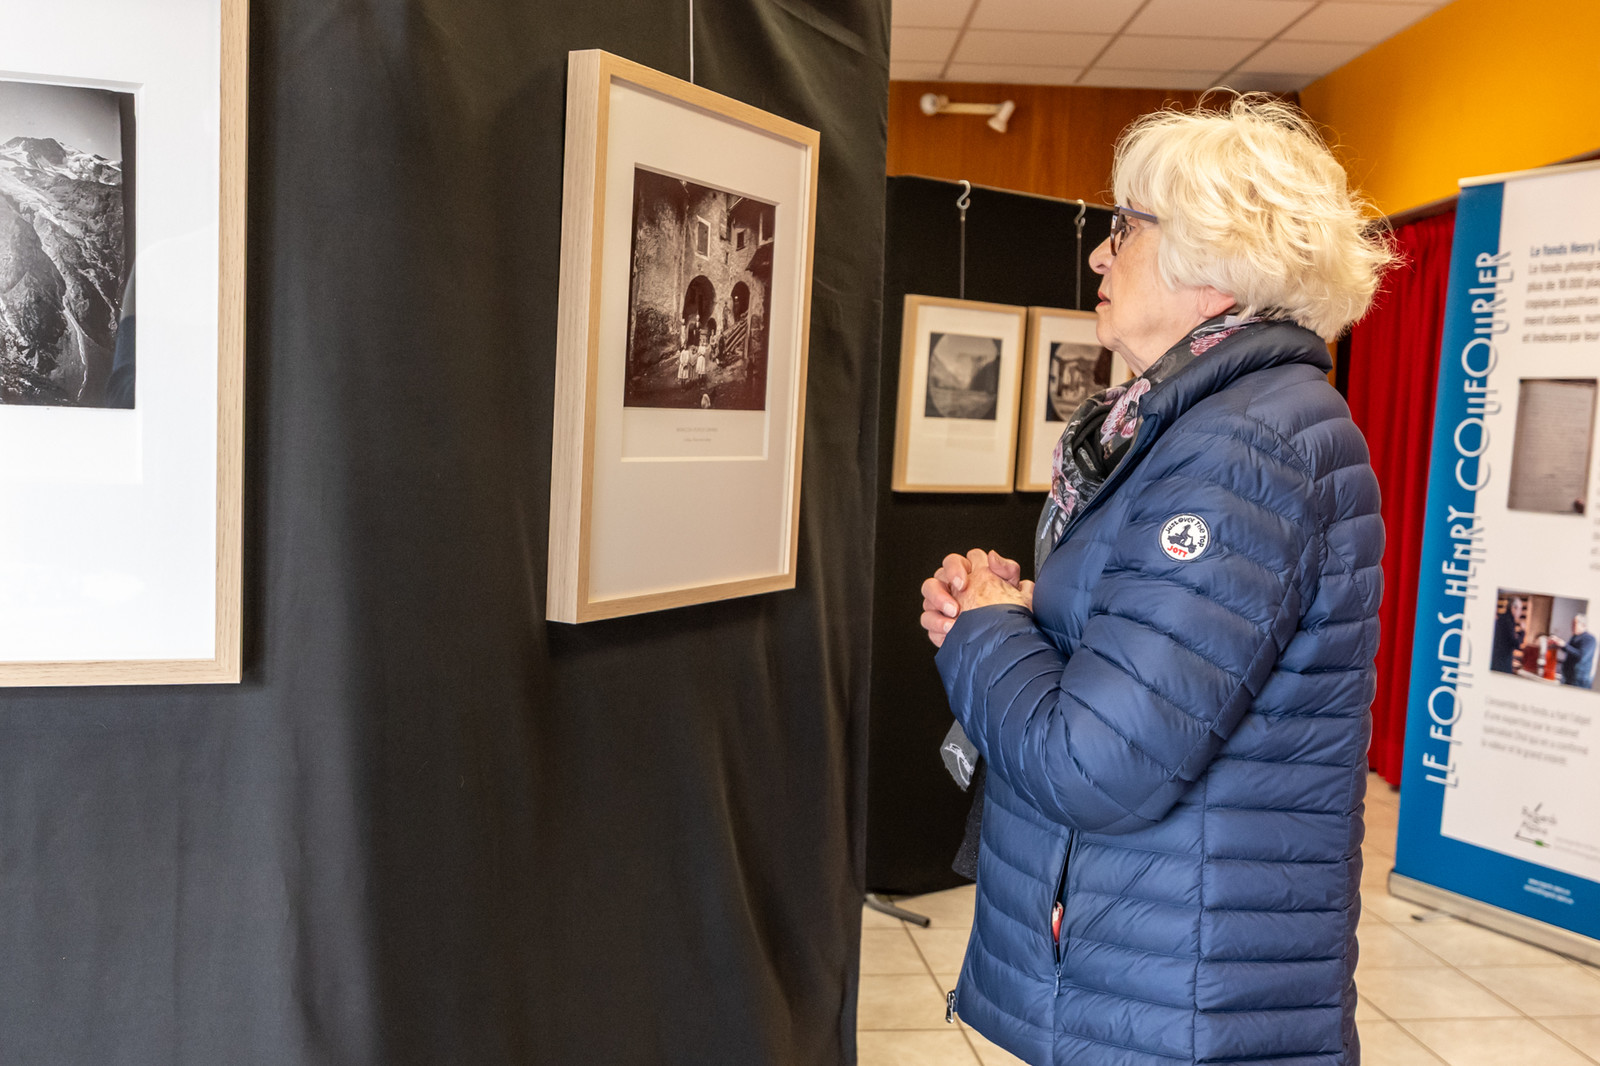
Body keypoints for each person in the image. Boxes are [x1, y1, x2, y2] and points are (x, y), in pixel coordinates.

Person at [918, 96, 1393, 1066]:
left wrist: (985, 629)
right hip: (1151, 982)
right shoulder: (1188, 427)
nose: (1098, 253)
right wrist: (1006, 612)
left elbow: (1095, 760)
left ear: (1214, 266)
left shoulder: (1243, 448)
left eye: (1124, 227)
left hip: (1180, 1009)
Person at [1551, 614, 1596, 689]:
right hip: (1568, 677)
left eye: (1574, 624)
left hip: (1579, 680)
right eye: (1572, 624)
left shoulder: (1589, 639)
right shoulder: (1575, 637)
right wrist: (1558, 644)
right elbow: (1569, 651)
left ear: (1583, 625)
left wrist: (1564, 645)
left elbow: (1580, 656)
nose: (1572, 626)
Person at [1490, 596, 1526, 674]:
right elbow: (1516, 644)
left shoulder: (1502, 618)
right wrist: (1522, 631)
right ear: (1513, 608)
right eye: (1520, 609)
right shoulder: (1508, 622)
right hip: (1502, 664)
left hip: (1496, 661)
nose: (1520, 612)